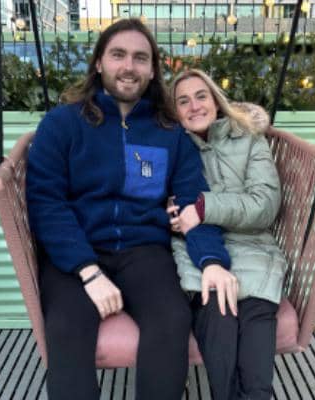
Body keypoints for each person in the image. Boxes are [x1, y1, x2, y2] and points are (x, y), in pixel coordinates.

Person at [26, 21, 231, 400]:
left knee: (172, 320)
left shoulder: (168, 132)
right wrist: (88, 271)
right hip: (75, 254)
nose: (129, 66)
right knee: (67, 328)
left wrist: (211, 259)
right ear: (99, 63)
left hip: (144, 252)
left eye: (140, 58)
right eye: (118, 55)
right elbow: (46, 202)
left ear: (152, 70)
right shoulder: (62, 124)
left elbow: (192, 201)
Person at [168, 69, 287, 400]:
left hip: (254, 247)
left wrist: (203, 207)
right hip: (200, 250)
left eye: (201, 96)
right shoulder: (173, 147)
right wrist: (170, 214)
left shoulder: (248, 138)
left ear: (216, 100)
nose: (194, 106)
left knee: (255, 319)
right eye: (183, 101)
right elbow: (150, 196)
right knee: (217, 313)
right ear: (174, 111)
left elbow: (265, 204)